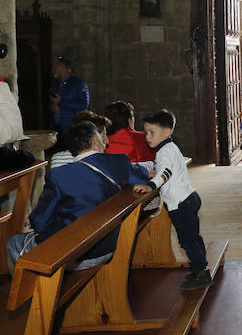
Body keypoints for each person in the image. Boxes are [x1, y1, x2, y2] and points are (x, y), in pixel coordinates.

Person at [7, 122, 148, 271]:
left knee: (14, 242)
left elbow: (40, 222)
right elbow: (142, 177)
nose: (106, 141)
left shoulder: (59, 175)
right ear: (94, 140)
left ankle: (25, 293)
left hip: (73, 255)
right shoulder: (119, 162)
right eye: (103, 137)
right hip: (110, 247)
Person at [133, 110, 212, 291]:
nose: (147, 136)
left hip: (181, 203)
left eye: (152, 132)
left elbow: (166, 173)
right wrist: (156, 171)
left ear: (167, 132)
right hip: (190, 197)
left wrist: (151, 186)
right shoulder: (169, 148)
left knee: (187, 241)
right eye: (146, 132)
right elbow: (167, 167)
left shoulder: (164, 152)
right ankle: (201, 266)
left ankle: (202, 273)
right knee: (193, 237)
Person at [49, 55, 90, 135]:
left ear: (63, 67)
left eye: (55, 66)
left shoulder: (79, 83)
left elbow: (83, 105)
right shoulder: (55, 84)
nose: (53, 69)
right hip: (56, 127)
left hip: (72, 127)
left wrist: (61, 102)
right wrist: (52, 107)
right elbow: (52, 103)